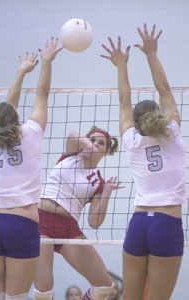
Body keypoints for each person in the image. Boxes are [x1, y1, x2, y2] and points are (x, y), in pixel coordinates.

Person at [101, 24, 186, 300]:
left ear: (136, 124)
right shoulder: (173, 132)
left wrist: (120, 66)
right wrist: (151, 54)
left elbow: (124, 101)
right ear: (159, 115)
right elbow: (163, 88)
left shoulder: (132, 141)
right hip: (166, 224)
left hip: (139, 224)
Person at [0, 38, 63, 300]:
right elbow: (42, 95)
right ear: (17, 119)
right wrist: (46, 63)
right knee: (16, 297)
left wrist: (19, 72)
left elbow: (8, 109)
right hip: (21, 222)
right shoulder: (31, 133)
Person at [33, 127, 123, 300]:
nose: (95, 144)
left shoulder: (99, 182)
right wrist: (88, 146)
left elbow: (94, 222)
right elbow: (72, 134)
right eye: (92, 139)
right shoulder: (72, 154)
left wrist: (107, 192)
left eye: (101, 143)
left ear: (106, 152)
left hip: (68, 228)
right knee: (43, 291)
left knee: (104, 286)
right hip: (41, 221)